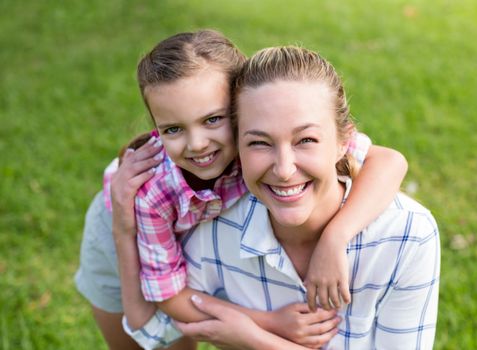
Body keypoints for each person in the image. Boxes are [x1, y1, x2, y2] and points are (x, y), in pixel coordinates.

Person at [75, 30, 408, 349]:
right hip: (121, 222)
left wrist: (335, 237)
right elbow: (163, 300)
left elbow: (390, 162)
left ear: (240, 106)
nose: (197, 144)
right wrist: (268, 323)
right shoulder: (153, 194)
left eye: (213, 119)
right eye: (173, 128)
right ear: (156, 126)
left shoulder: (264, 144)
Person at [173, 46, 440, 349]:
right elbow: (160, 321)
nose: (284, 170)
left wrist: (254, 339)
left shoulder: (406, 233)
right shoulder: (215, 227)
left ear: (344, 143)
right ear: (237, 147)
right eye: (259, 142)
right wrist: (124, 227)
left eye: (306, 140)